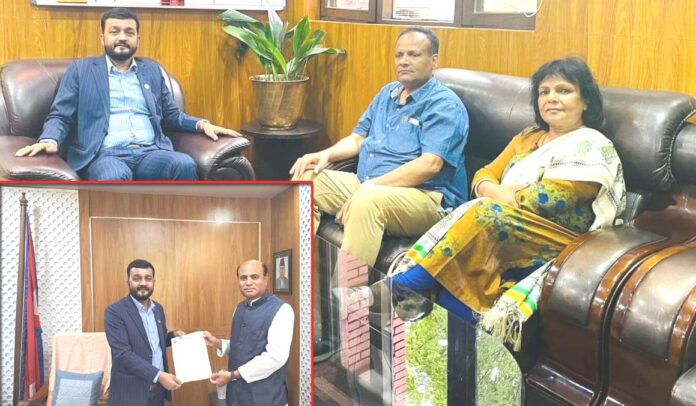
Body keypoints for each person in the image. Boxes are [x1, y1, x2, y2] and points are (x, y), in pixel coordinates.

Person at [363, 57, 627, 323]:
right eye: (544, 92)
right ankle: (455, 341)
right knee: (471, 256)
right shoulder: (528, 137)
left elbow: (551, 199)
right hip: (505, 228)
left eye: (564, 91)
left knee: (485, 216)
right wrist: (499, 193)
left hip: (555, 239)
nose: (551, 99)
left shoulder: (591, 145)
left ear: (585, 101)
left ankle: (402, 286)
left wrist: (497, 197)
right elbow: (483, 174)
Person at [289, 26, 469, 267]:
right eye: (399, 55)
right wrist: (325, 154)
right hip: (370, 183)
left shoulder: (445, 105)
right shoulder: (387, 94)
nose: (404, 61)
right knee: (306, 179)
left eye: (414, 55)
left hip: (427, 197)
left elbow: (430, 165)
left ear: (433, 60)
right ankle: (297, 274)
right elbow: (357, 138)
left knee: (367, 201)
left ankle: (348, 290)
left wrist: (372, 187)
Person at [14, 7, 240, 180]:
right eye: (114, 32)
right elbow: (61, 115)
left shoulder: (151, 70)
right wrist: (50, 139)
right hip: (106, 154)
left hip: (151, 152)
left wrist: (201, 124)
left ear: (137, 40)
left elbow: (171, 114)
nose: (122, 37)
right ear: (102, 38)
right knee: (113, 176)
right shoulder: (81, 70)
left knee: (183, 164)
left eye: (129, 32)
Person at [203, 260, 294, 406]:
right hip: (236, 397)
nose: (248, 282)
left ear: (266, 279)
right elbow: (243, 346)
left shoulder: (282, 310)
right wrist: (217, 343)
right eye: (243, 278)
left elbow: (275, 357)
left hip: (266, 399)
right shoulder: (239, 308)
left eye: (254, 277)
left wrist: (233, 375)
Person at [104, 259, 185, 406]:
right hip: (129, 394)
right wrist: (159, 376)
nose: (143, 283)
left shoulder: (158, 309)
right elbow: (122, 354)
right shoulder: (115, 312)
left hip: (157, 392)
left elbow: (156, 341)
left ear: (153, 282)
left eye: (148, 278)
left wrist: (173, 336)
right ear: (128, 282)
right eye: (137, 278)